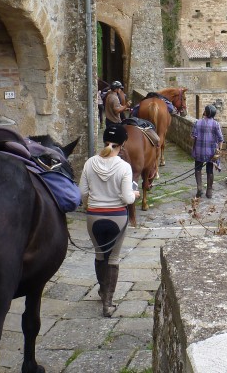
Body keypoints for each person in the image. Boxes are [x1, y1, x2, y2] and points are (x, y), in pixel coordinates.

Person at [78, 125, 139, 317]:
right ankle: (108, 303)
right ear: (122, 144)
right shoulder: (124, 167)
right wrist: (135, 194)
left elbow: (82, 193)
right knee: (113, 258)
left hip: (94, 216)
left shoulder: (90, 163)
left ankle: (102, 291)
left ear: (104, 141)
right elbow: (128, 199)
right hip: (117, 217)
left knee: (99, 255)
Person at [191, 104, 223, 198]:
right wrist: (219, 151)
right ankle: (209, 191)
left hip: (199, 151)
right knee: (209, 170)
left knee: (198, 169)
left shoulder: (197, 122)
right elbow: (220, 139)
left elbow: (193, 136)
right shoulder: (216, 124)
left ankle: (199, 188)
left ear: (206, 112)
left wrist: (194, 148)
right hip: (211, 152)